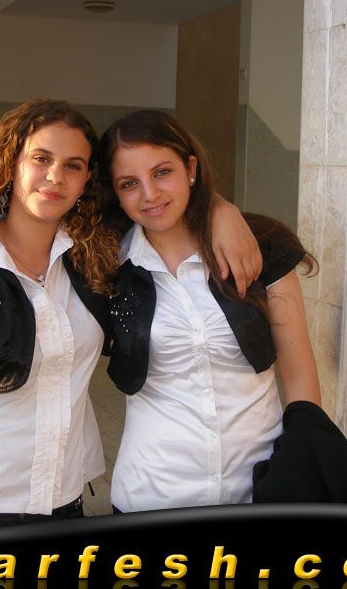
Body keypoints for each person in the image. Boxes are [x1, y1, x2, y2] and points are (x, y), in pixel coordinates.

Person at [0, 99, 261, 533]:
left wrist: (221, 209)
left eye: (73, 165)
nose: (55, 177)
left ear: (88, 178)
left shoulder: (92, 256)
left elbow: (161, 198)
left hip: (63, 501)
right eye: (41, 159)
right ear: (9, 162)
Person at [97, 110, 325, 513]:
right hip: (152, 495)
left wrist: (301, 466)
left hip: (258, 490)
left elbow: (299, 374)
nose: (150, 194)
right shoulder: (106, 266)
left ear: (190, 169)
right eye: (129, 183)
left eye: (162, 172)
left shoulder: (260, 247)